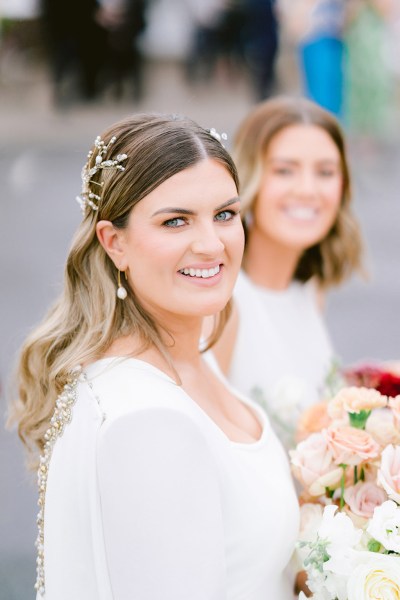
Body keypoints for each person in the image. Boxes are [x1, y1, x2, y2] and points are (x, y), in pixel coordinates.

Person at [9, 113, 300, 599]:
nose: (211, 244)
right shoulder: (147, 421)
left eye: (225, 214)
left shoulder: (186, 356)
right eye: (176, 221)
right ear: (114, 242)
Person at [210, 96, 364, 448]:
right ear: (250, 178)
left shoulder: (311, 292)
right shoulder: (222, 304)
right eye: (284, 170)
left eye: (325, 172)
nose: (307, 190)